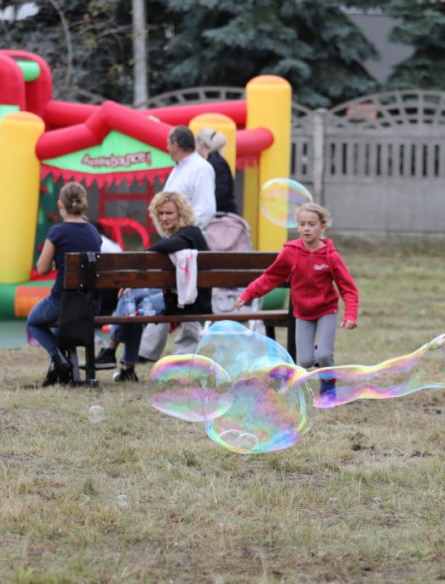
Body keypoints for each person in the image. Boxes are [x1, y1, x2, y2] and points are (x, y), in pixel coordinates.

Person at [235, 202, 358, 400]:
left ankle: (328, 387)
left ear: (322, 227)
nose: (306, 229)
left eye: (311, 224)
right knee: (307, 360)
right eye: (302, 224)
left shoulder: (330, 256)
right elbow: (270, 277)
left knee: (325, 356)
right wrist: (248, 294)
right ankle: (318, 355)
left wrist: (350, 315)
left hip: (327, 310)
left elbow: (348, 288)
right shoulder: (290, 253)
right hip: (303, 313)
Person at [99, 191, 212, 382]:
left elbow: (169, 245)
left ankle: (112, 350)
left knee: (130, 302)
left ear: (181, 214)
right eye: (161, 214)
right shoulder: (185, 235)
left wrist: (144, 255)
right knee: (130, 304)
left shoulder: (189, 233)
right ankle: (126, 368)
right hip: (180, 297)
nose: (164, 218)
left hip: (189, 302)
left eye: (169, 213)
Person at [136, 126, 218, 364]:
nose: (165, 146)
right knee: (164, 294)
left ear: (176, 143)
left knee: (187, 294)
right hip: (175, 242)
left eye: (167, 142)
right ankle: (148, 351)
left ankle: (184, 351)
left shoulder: (201, 168)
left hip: (188, 242)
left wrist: (185, 232)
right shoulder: (181, 168)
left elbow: (206, 207)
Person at [26, 182, 103, 386]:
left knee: (33, 321)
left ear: (60, 204)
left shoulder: (57, 232)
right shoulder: (94, 232)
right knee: (59, 327)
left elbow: (42, 268)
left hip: (62, 300)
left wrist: (54, 260)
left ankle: (59, 358)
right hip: (87, 302)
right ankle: (60, 364)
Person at [196, 127, 238, 215]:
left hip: (221, 218)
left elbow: (221, 193)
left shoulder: (216, 163)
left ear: (200, 143)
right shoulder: (215, 162)